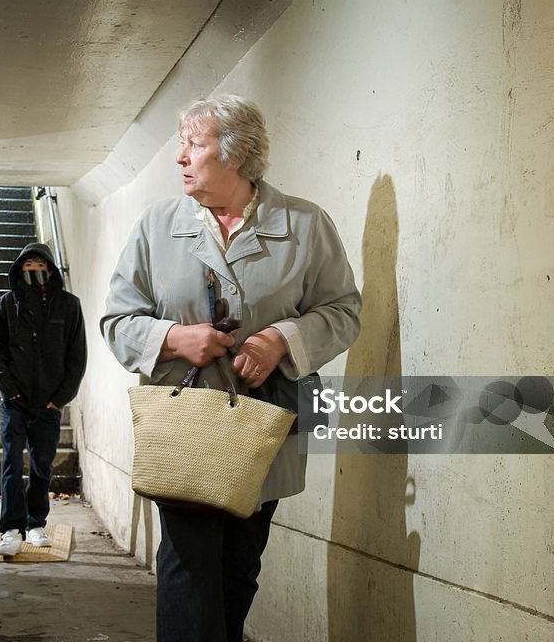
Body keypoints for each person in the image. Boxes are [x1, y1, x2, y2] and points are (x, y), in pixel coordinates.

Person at [101, 93, 361, 641]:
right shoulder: (157, 226)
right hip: (187, 430)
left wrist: (281, 340)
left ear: (237, 154)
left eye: (194, 144)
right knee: (189, 568)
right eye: (182, 144)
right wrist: (172, 338)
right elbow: (118, 321)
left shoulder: (306, 225)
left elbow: (342, 312)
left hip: (264, 428)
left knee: (240, 569)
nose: (181, 157)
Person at [0, 242, 87, 556]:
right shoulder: (5, 305)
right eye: (27, 265)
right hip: (14, 402)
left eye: (39, 264)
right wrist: (8, 389)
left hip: (48, 404)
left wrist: (60, 398)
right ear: (18, 270)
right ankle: (11, 529)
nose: (33, 270)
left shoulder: (69, 306)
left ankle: (35, 523)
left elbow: (77, 355)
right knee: (12, 463)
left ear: (51, 269)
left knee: (42, 464)